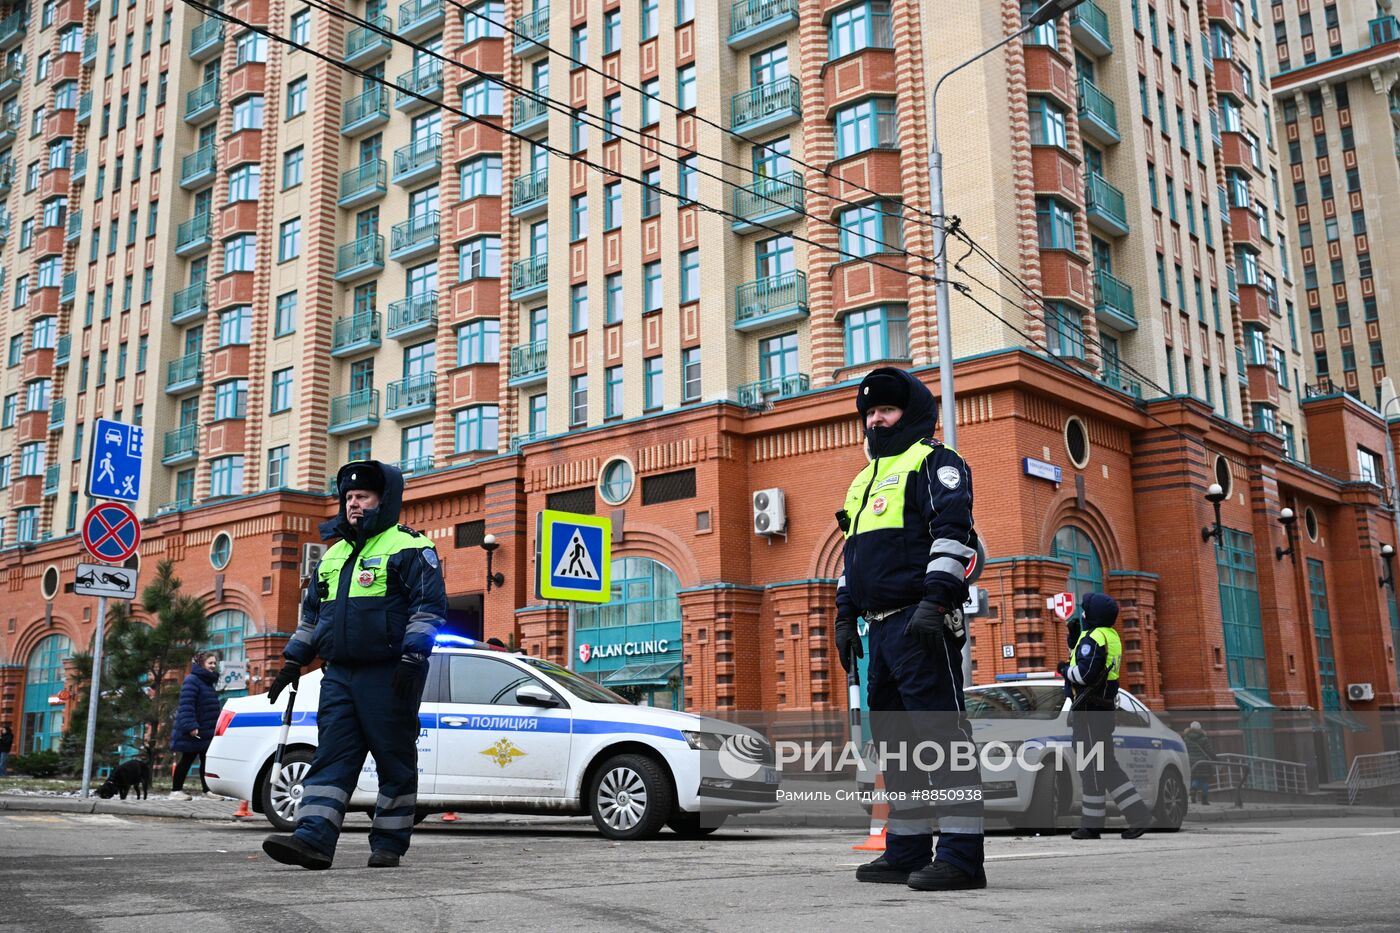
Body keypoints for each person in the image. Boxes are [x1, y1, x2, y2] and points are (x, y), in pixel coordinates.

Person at [832, 367, 986, 892]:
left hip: (921, 624)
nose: (876, 420)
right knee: (897, 750)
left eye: (886, 411)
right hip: (880, 634)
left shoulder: (936, 462)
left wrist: (934, 601)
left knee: (943, 742)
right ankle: (906, 851)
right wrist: (844, 616)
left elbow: (952, 534)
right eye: (869, 413)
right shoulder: (862, 480)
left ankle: (962, 860)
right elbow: (852, 559)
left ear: (912, 412)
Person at [262, 460, 446, 870]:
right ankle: (312, 838)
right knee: (331, 755)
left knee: (394, 759)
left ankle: (388, 843)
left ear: (385, 500)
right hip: (340, 675)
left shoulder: (410, 546)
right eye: (348, 498)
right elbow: (312, 617)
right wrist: (293, 661)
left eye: (362, 496)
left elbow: (427, 608)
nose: (353, 504)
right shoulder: (333, 557)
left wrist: (414, 656)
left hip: (390, 673)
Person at [1058, 592, 1153, 839]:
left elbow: (1085, 673)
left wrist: (1064, 669)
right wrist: (1073, 639)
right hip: (1101, 710)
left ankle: (1092, 825)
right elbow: (1091, 662)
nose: (1083, 613)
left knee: (1091, 767)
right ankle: (1138, 815)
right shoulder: (1110, 635)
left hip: (1089, 712)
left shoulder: (1094, 638)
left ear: (1093, 615)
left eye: (1085, 610)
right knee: (1106, 766)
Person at [168, 651, 221, 800]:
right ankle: (176, 791)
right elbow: (187, 705)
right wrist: (191, 726)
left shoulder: (206, 681)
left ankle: (207, 790)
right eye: (210, 663)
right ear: (201, 664)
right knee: (187, 759)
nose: (213, 666)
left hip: (205, 729)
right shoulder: (192, 680)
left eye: (214, 663)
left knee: (206, 760)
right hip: (194, 729)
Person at [1184, 721, 1218, 805]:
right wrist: (1215, 758)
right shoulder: (1203, 738)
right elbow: (1209, 751)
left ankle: (1193, 790)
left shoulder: (1186, 738)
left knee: (1195, 778)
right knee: (1204, 780)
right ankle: (1204, 800)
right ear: (1200, 728)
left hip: (1191, 762)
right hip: (1203, 762)